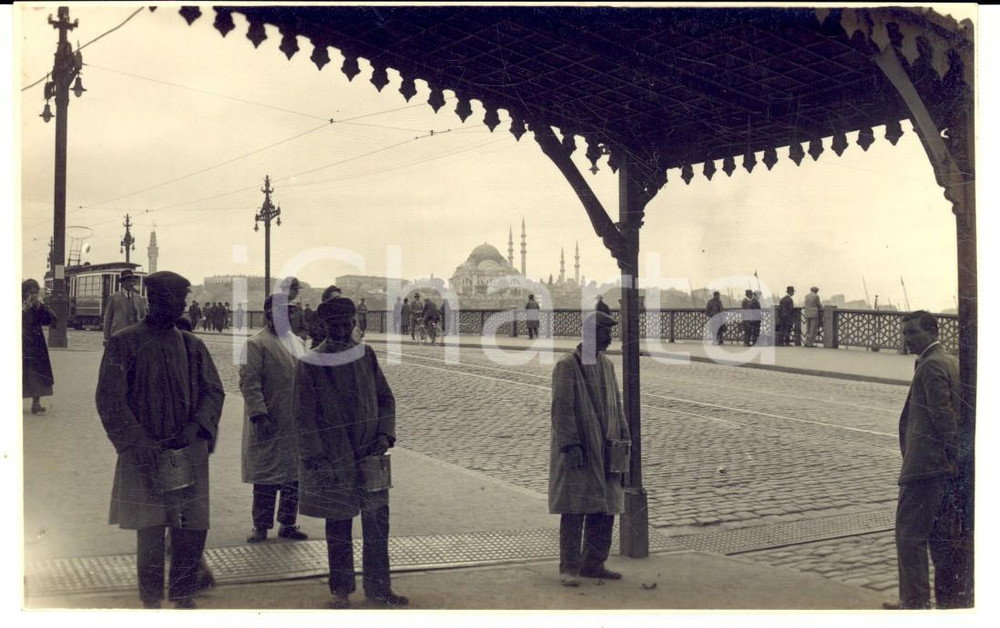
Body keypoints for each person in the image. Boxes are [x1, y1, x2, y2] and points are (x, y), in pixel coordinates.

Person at [95, 271, 224, 609]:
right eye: (176, 298)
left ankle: (183, 596)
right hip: (144, 455)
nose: (182, 305)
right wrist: (140, 444)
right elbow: (110, 400)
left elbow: (213, 391)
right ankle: (151, 602)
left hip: (187, 452)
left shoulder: (193, 345)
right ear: (154, 299)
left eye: (183, 298)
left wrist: (195, 428)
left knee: (191, 529)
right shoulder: (124, 343)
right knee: (150, 531)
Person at [293, 297, 408, 609]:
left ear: (354, 322)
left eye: (348, 324)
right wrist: (318, 457)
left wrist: (384, 434)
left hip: (371, 452)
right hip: (334, 456)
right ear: (324, 325)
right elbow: (303, 416)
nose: (343, 330)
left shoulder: (366, 354)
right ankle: (341, 590)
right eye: (336, 325)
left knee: (377, 522)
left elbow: (385, 398)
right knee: (338, 523)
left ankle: (379, 588)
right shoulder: (310, 362)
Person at [882, 311, 964, 610]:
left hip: (925, 466)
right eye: (904, 333)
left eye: (912, 333)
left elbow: (943, 416)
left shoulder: (930, 365)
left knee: (909, 534)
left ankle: (914, 602)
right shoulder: (948, 360)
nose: (906, 339)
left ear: (931, 332)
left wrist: (950, 454)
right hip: (942, 467)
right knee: (939, 536)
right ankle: (946, 601)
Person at [549, 310, 630, 587]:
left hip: (607, 447)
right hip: (581, 447)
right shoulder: (567, 365)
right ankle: (569, 567)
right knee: (575, 508)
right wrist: (570, 445)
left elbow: (616, 405)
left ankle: (594, 563)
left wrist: (624, 440)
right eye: (605, 333)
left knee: (605, 508)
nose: (609, 338)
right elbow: (561, 410)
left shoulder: (607, 364)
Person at [241, 295, 309, 544]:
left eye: (290, 312)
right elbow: (249, 383)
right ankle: (261, 526)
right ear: (268, 314)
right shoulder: (255, 344)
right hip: (268, 420)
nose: (287, 316)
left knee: (293, 476)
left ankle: (287, 524)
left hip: (294, 422)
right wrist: (259, 415)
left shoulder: (298, 342)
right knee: (266, 478)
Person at [22, 279, 56, 415]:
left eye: (36, 292)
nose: (34, 295)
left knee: (37, 373)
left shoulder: (39, 306)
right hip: (21, 341)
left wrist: (40, 307)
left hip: (36, 343)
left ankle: (36, 403)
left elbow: (50, 321)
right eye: (31, 292)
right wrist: (24, 310)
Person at [104, 269, 147, 345]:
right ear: (122, 283)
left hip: (134, 336)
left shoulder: (138, 298)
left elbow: (143, 317)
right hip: (118, 334)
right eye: (129, 281)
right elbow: (108, 318)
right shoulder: (114, 297)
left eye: (133, 281)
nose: (132, 284)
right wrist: (107, 337)